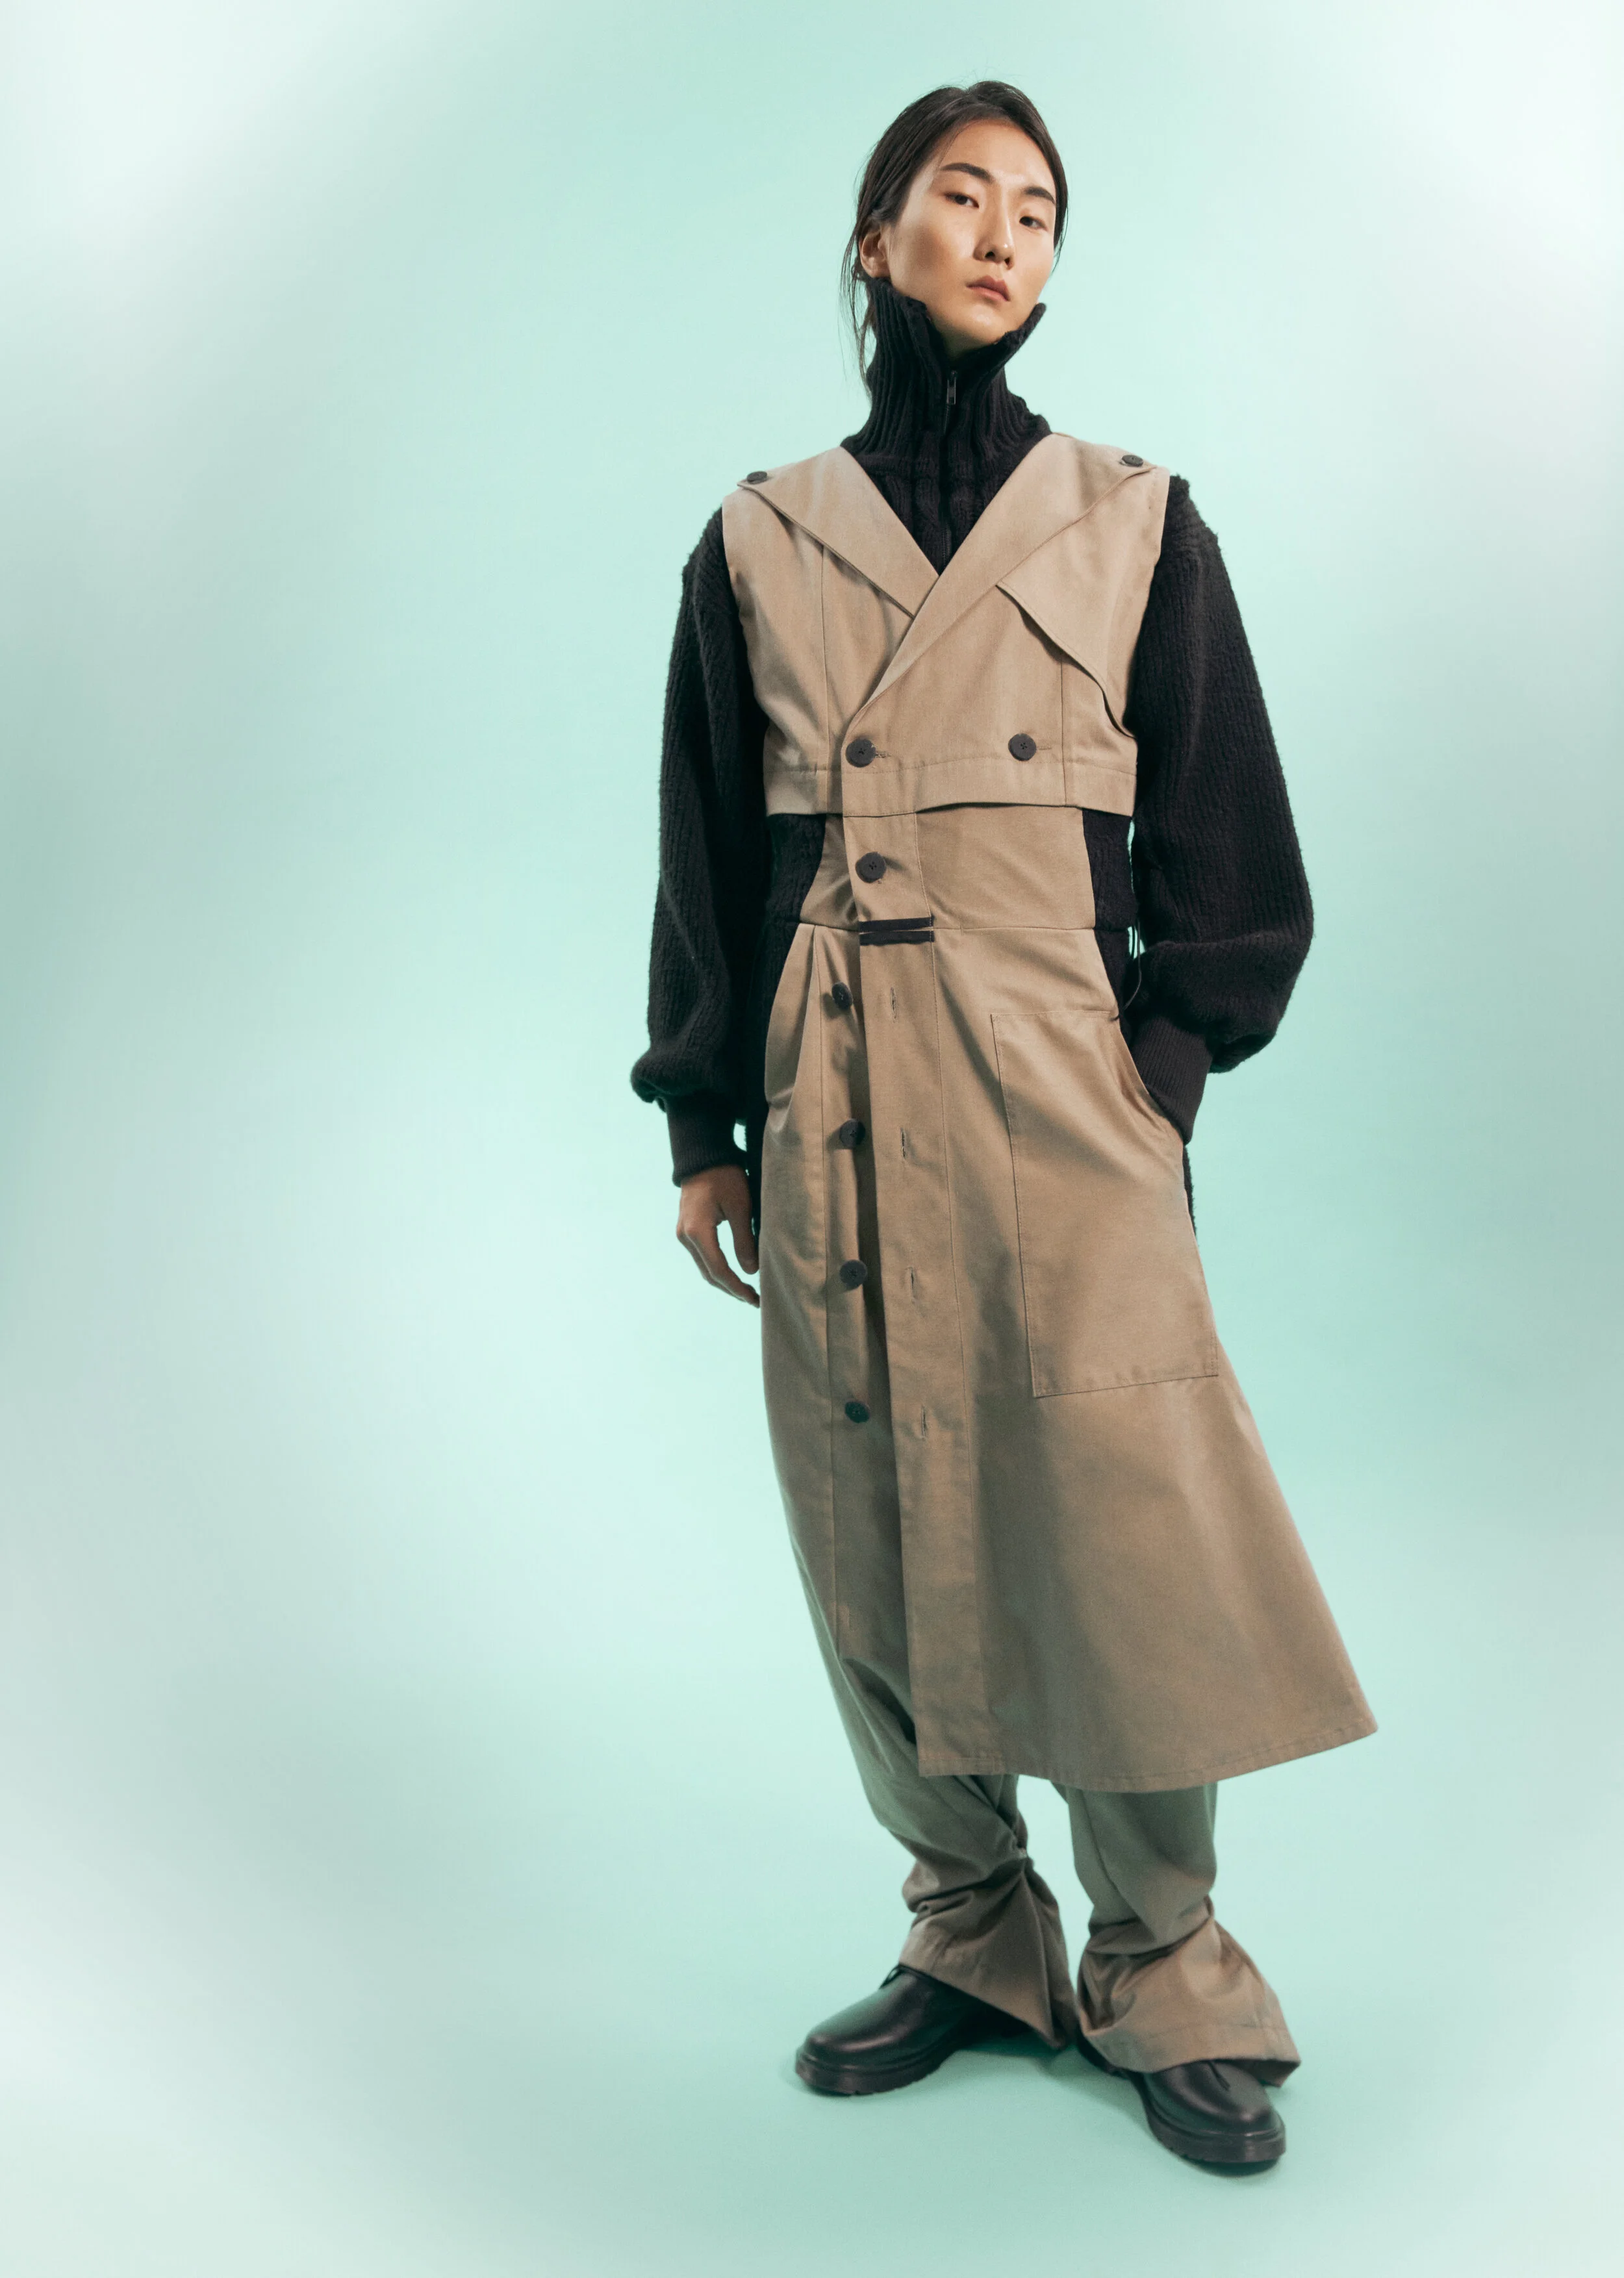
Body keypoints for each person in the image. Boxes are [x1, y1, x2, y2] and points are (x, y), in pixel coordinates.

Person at [631, 81, 1374, 2172]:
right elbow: (711, 855)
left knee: (1120, 1517)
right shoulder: (759, 537)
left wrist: (1153, 1083)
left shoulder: (1134, 519)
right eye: (957, 197)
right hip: (836, 1096)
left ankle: (1165, 1963)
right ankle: (969, 1932)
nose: (997, 235)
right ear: (875, 237)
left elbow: (1233, 856)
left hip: (1069, 1095)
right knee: (866, 1509)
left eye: (1034, 211)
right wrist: (703, 1119)